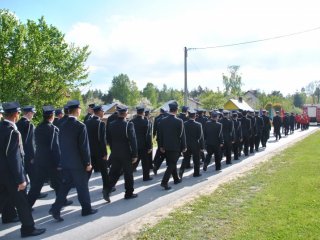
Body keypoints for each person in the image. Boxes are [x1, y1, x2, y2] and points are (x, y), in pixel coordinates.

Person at [0, 102, 46, 237]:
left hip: (1, 173)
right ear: (15, 114)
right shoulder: (12, 132)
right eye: (18, 112)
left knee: (3, 198)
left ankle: (8, 217)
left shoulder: (2, 128)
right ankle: (28, 228)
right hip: (11, 174)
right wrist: (21, 179)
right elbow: (14, 158)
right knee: (22, 202)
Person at [50, 100, 97, 221]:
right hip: (78, 164)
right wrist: (87, 163)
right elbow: (84, 147)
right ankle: (86, 209)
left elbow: (59, 144)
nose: (80, 110)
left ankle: (55, 209)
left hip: (65, 162)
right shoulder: (80, 126)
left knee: (65, 187)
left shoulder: (61, 124)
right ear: (76, 110)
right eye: (80, 109)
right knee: (82, 187)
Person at [27, 106, 72, 208]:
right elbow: (55, 148)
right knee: (59, 183)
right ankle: (62, 201)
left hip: (40, 160)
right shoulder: (53, 129)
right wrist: (59, 163)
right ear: (52, 116)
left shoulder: (38, 127)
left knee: (36, 185)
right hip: (51, 161)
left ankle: (27, 205)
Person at [106, 105, 138, 200]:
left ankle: (107, 190)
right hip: (126, 153)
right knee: (128, 174)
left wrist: (113, 149)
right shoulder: (129, 124)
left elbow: (109, 139)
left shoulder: (111, 124)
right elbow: (133, 140)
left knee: (114, 173)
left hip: (115, 152)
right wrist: (135, 154)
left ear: (118, 113)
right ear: (126, 113)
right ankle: (129, 193)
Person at [16, 105, 47, 199]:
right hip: (29, 155)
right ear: (29, 113)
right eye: (32, 113)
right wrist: (33, 156)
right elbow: (29, 143)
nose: (33, 115)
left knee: (24, 177)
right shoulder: (29, 125)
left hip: (20, 154)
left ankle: (29, 196)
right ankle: (34, 195)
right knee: (34, 176)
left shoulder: (17, 123)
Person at [158, 101, 186, 190]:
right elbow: (182, 135)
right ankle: (164, 182)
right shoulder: (179, 121)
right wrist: (184, 146)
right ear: (177, 110)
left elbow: (160, 135)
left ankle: (176, 179)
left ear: (170, 109)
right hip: (175, 146)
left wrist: (161, 146)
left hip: (165, 146)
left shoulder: (162, 120)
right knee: (172, 164)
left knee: (171, 163)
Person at [85, 105, 110, 202]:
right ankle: (106, 191)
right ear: (99, 112)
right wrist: (105, 153)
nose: (103, 113)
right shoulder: (101, 123)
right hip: (99, 152)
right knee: (104, 172)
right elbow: (102, 140)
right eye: (103, 111)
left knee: (88, 172)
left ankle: (82, 189)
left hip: (90, 152)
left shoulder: (87, 122)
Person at [179, 109, 204, 178]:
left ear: (188, 116)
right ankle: (196, 173)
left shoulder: (184, 124)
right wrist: (202, 147)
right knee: (196, 159)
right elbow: (200, 137)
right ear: (195, 116)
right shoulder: (198, 124)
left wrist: (182, 145)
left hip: (186, 143)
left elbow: (181, 135)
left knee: (185, 158)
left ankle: (181, 170)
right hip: (195, 144)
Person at [130, 106, 153, 181]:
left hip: (134, 145)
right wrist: (149, 147)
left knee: (134, 161)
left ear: (137, 112)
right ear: (143, 113)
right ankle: (146, 177)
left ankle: (128, 174)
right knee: (145, 162)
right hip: (144, 145)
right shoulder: (146, 122)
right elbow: (148, 136)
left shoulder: (131, 121)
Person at [152, 107, 167, 175]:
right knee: (165, 154)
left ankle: (155, 163)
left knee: (160, 151)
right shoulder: (166, 118)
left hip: (159, 138)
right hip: (167, 139)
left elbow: (154, 128)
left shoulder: (157, 118)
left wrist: (154, 135)